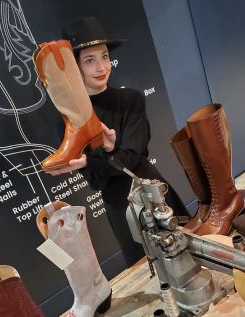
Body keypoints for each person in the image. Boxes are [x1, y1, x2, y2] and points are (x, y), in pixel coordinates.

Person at [47, 16, 189, 267]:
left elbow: (135, 156)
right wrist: (98, 161)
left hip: (151, 188)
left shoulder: (131, 100)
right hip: (119, 206)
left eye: (104, 57)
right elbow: (96, 181)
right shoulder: (70, 121)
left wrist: (104, 153)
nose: (101, 67)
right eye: (90, 60)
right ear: (76, 66)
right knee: (148, 272)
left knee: (186, 254)